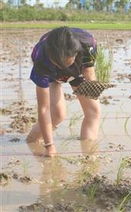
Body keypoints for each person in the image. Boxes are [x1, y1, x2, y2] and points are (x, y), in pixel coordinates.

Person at [27, 26, 101, 157]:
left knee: (93, 111)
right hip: (51, 73)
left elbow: (89, 72)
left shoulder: (88, 44)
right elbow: (44, 108)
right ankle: (31, 142)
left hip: (77, 70)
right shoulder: (42, 59)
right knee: (57, 114)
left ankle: (89, 156)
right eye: (59, 63)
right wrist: (49, 146)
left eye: (66, 62)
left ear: (76, 53)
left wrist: (93, 95)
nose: (62, 66)